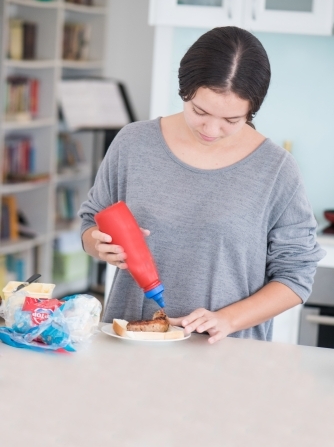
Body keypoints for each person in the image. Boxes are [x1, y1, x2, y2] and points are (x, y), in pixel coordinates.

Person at [79, 26, 325, 344]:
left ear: (252, 110)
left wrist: (227, 319)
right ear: (185, 90)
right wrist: (97, 245)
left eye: (231, 120)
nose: (211, 129)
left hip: (224, 353)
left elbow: (297, 276)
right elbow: (91, 222)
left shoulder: (276, 169)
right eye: (200, 111)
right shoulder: (134, 143)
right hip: (132, 343)